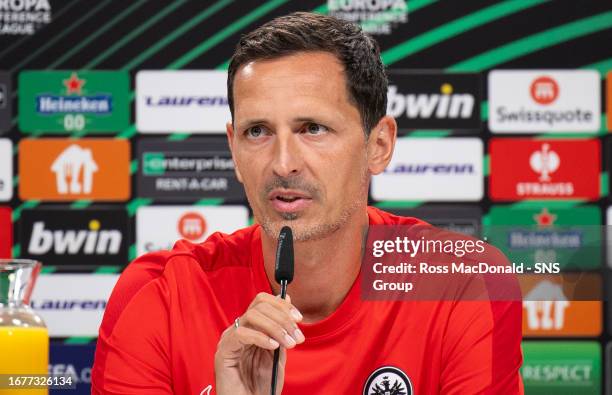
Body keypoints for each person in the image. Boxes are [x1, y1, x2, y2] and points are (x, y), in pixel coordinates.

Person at [92, 11, 523, 395]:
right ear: (233, 150)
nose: (282, 163)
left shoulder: (462, 286)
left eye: (312, 128)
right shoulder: (159, 296)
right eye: (257, 132)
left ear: (379, 144)